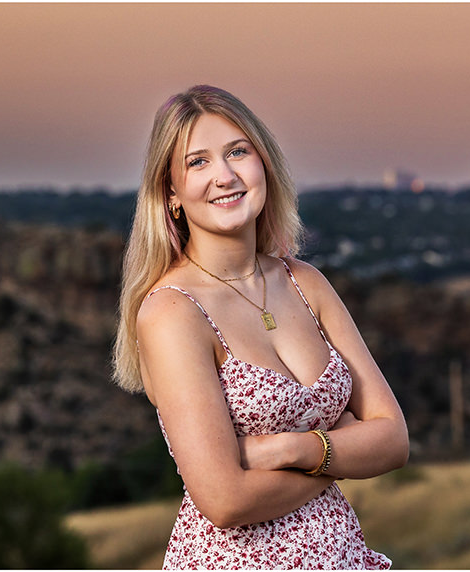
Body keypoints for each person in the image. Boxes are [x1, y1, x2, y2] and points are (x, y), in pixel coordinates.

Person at [112, 85, 409, 569]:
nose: (225, 176)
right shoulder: (173, 312)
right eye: (197, 162)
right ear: (171, 194)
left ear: (263, 163)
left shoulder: (305, 282)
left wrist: (291, 448)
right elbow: (225, 500)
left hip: (343, 556)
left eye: (237, 151)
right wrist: (343, 453)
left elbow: (393, 440)